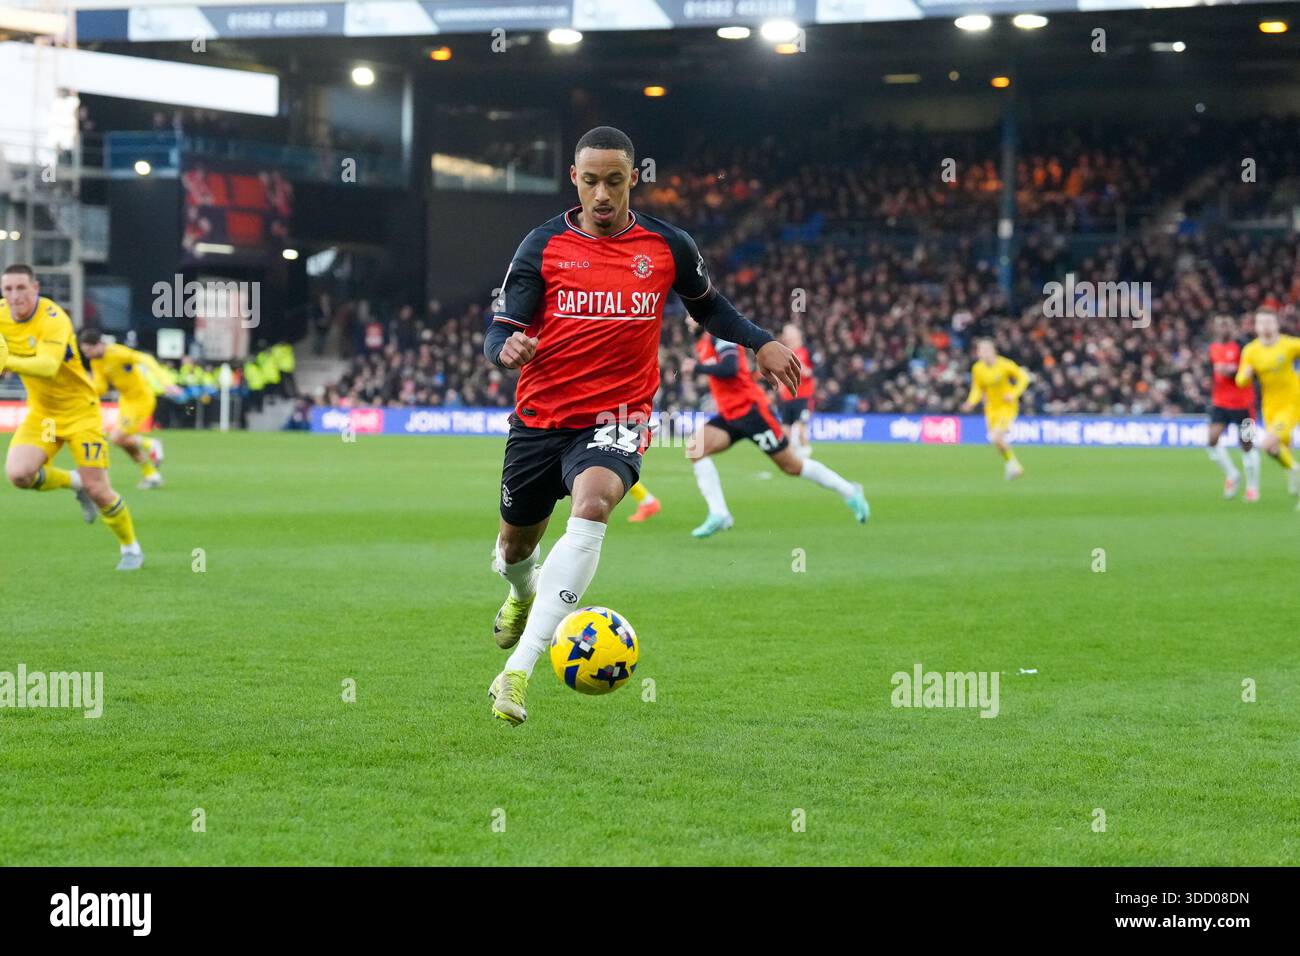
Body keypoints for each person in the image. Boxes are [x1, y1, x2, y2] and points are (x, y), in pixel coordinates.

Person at [480, 126, 802, 725]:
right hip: (540, 417)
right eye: (592, 181)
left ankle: (516, 674)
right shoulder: (542, 244)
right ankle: (523, 594)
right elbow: (501, 324)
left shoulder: (666, 245)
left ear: (634, 178)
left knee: (595, 503)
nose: (603, 194)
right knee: (514, 548)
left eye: (615, 180)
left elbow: (709, 306)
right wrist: (504, 347)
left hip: (618, 415)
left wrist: (759, 342)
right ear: (575, 180)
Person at [0, 265, 144, 569]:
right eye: (8, 289)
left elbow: (49, 366)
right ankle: (75, 483)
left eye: (21, 288)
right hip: (44, 415)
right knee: (19, 475)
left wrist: (7, 361)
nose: (15, 296)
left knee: (99, 489)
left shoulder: (54, 319)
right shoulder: (1, 315)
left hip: (81, 412)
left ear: (35, 287)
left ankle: (131, 548)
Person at [684, 316, 869, 538]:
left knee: (792, 466)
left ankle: (850, 492)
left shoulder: (719, 335)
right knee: (696, 447)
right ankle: (719, 513)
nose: (686, 320)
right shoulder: (703, 342)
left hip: (752, 413)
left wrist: (697, 368)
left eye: (689, 315)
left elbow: (730, 367)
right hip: (730, 414)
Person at [79, 328, 182, 489]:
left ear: (99, 344)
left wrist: (165, 381)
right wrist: (84, 388)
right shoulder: (96, 362)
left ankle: (151, 444)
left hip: (141, 400)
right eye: (85, 352)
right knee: (125, 443)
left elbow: (145, 359)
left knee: (116, 438)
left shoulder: (117, 352)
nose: (87, 355)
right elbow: (101, 388)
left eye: (89, 350)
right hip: (126, 402)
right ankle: (151, 475)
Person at [1233, 307, 1300, 505]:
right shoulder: (1251, 350)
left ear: (1277, 324)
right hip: (1269, 406)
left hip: (1291, 403)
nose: (1265, 327)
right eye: (1261, 323)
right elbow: (1240, 380)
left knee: (1268, 444)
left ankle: (1295, 471)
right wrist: (1245, 375)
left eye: (1269, 322)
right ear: (1255, 326)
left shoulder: (1289, 345)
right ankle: (1293, 472)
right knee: (1278, 450)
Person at [1204, 315, 1259, 500]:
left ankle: (1252, 487)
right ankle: (1232, 474)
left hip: (1244, 403)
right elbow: (1211, 372)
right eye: (1220, 325)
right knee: (1211, 440)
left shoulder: (1242, 346)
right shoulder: (1212, 348)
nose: (1223, 329)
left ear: (1232, 327)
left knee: (1247, 444)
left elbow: (1253, 370)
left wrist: (1232, 371)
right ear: (1216, 328)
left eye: (1227, 325)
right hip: (1220, 402)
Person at [960, 338, 1030, 480]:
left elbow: (1023, 378)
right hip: (991, 408)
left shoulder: (1005, 365)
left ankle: (1015, 466)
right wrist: (970, 402)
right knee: (997, 441)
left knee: (996, 436)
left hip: (1007, 407)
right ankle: (1011, 465)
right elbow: (977, 388)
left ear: (993, 351)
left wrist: (1013, 394)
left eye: (986, 350)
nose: (983, 353)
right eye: (980, 350)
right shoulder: (977, 368)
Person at [776, 323, 815, 458]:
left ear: (797, 335)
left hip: (802, 398)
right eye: (785, 334)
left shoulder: (805, 352)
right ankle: (792, 457)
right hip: (788, 399)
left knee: (799, 429)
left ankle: (806, 457)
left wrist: (799, 366)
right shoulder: (785, 353)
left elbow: (809, 373)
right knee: (785, 430)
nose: (786, 337)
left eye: (789, 333)